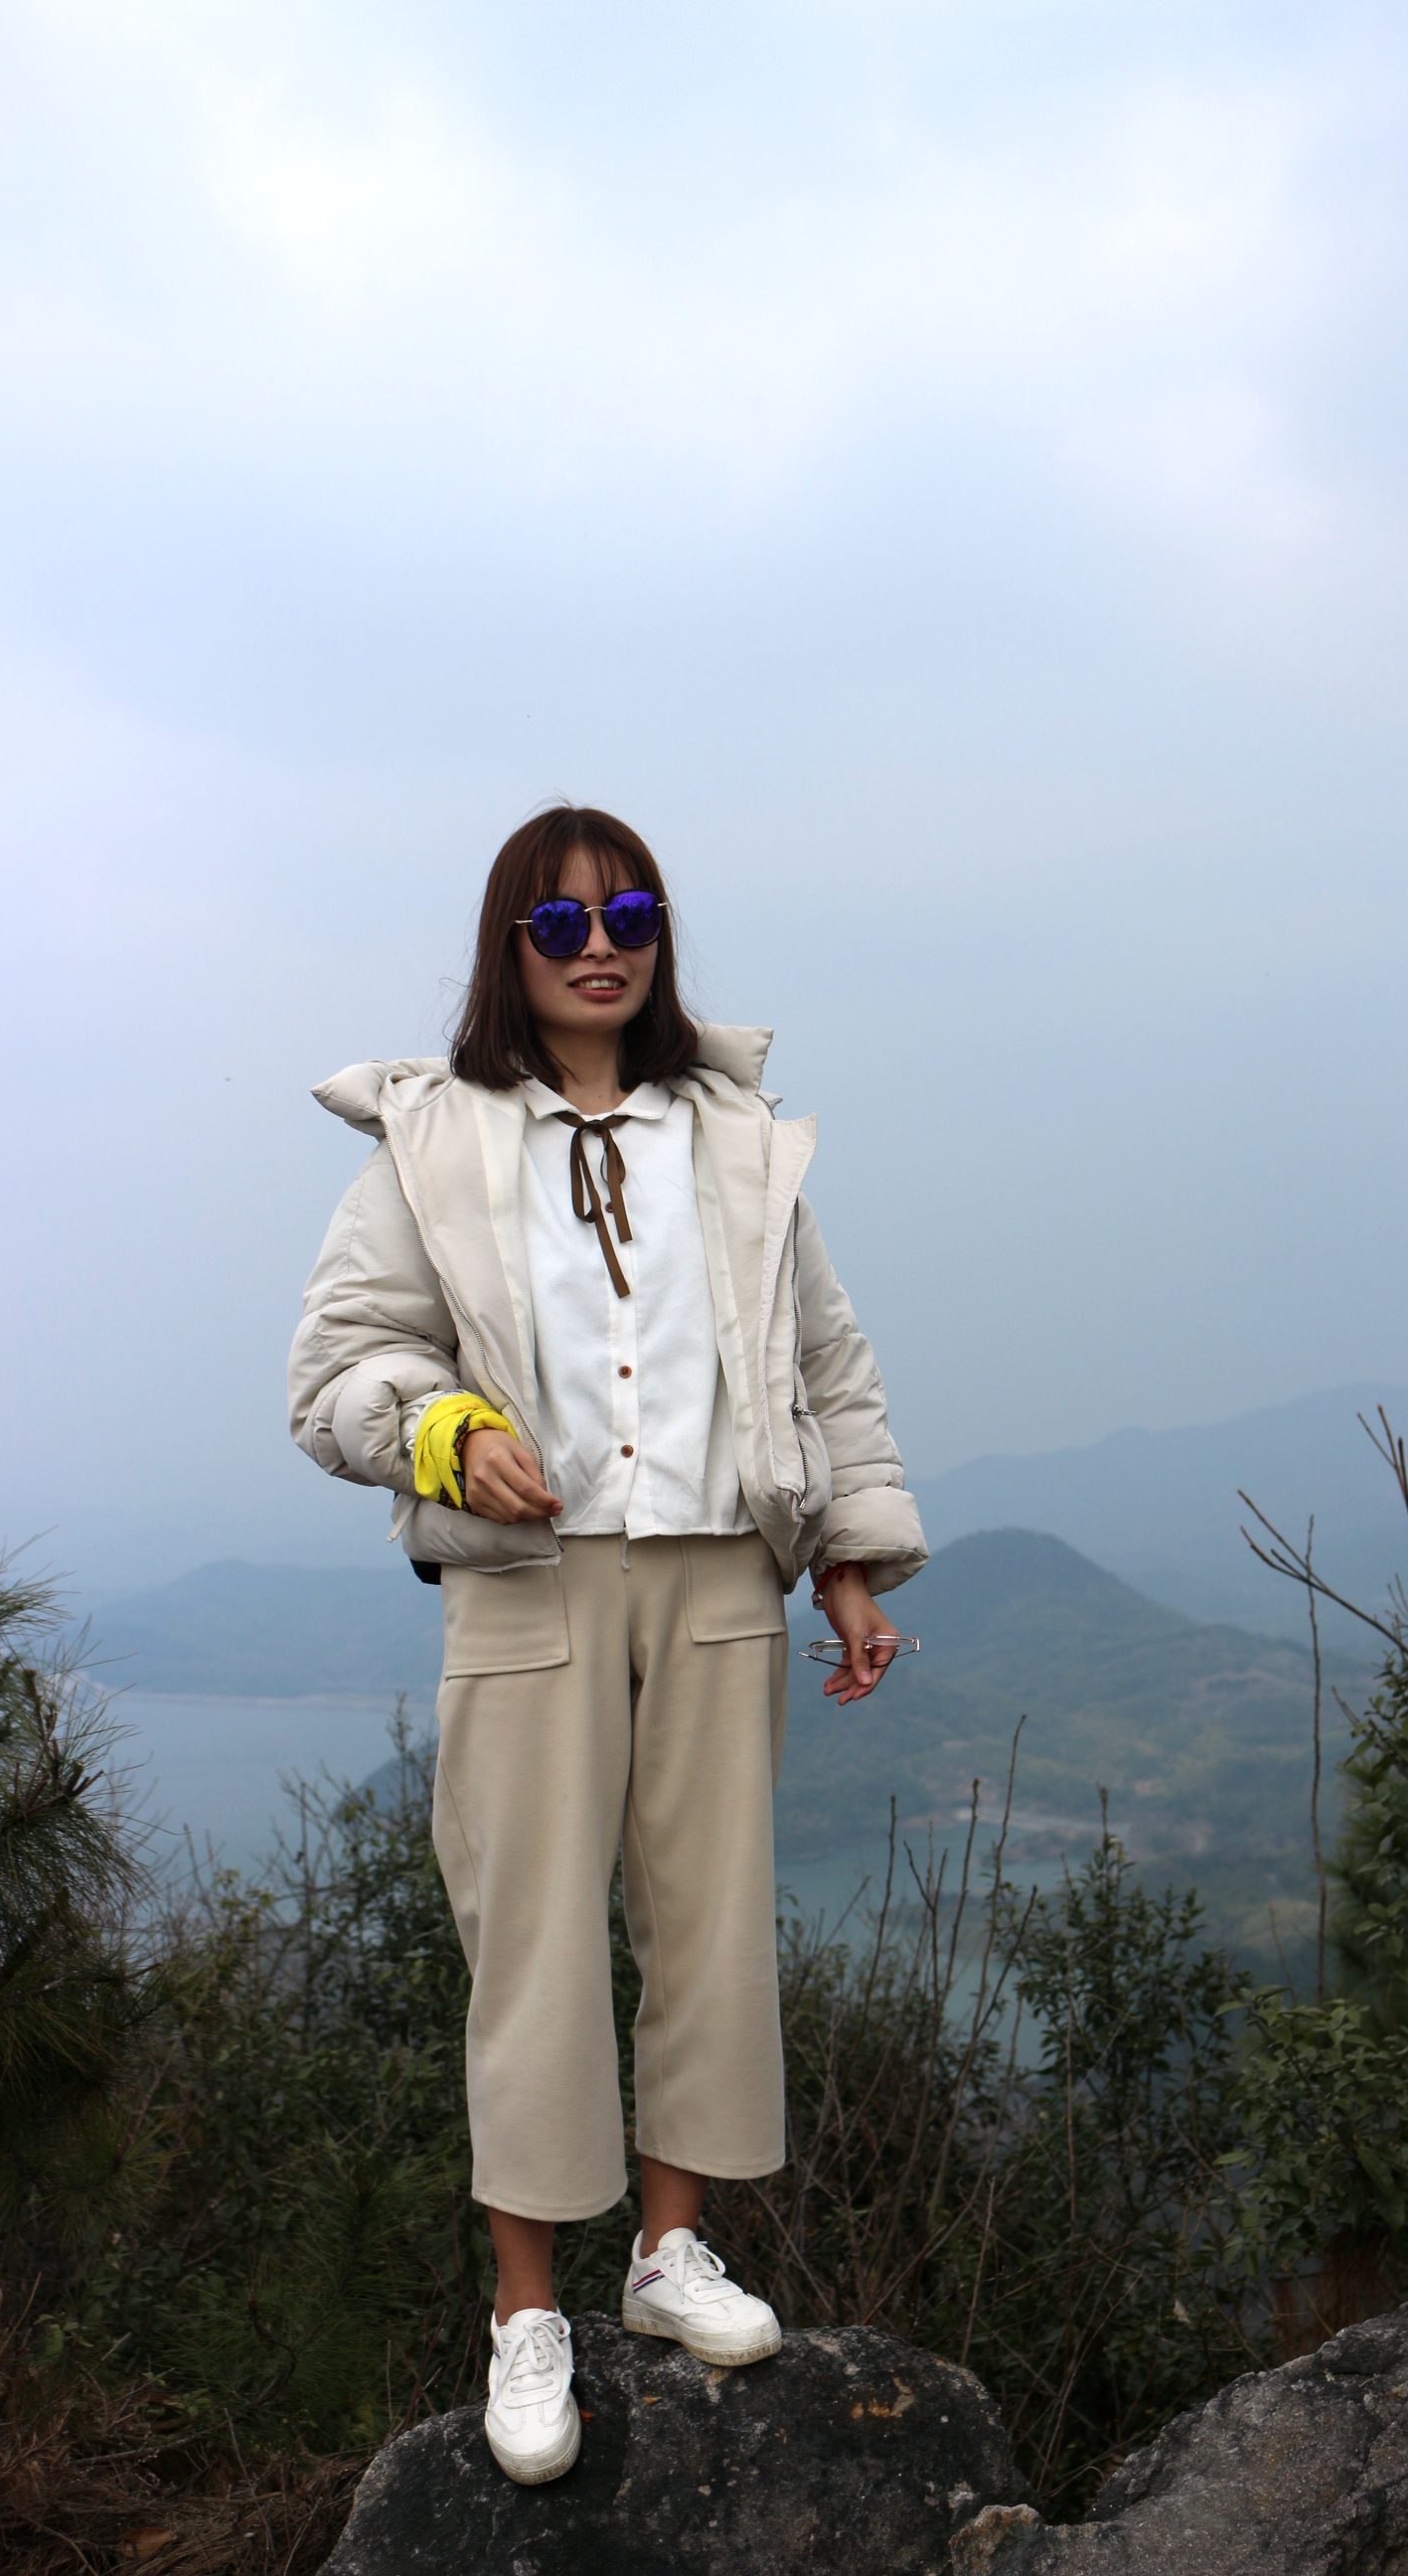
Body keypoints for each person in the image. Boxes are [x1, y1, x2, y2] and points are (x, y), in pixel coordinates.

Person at [287, 805, 926, 2483]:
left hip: (720, 1573)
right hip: (531, 1580)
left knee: (710, 1924)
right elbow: (339, 1369)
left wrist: (851, 1561)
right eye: (562, 921)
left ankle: (667, 2252)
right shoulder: (431, 1140)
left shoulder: (734, 1137)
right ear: (509, 945)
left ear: (660, 937)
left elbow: (825, 1363)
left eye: (629, 914)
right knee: (533, 1943)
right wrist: (442, 1434)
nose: (599, 946)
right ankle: (525, 2313)